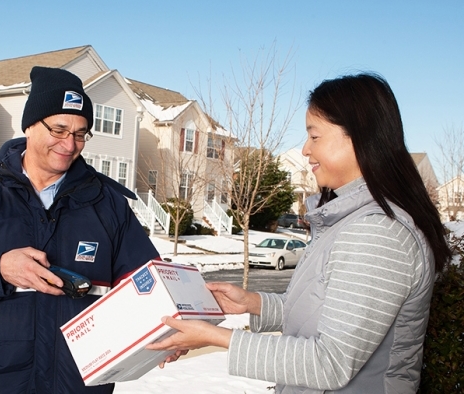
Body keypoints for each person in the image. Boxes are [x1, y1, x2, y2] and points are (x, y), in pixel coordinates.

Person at [148, 73, 451, 394]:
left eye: (315, 136)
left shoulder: (378, 232)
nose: (305, 150)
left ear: (358, 137)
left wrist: (216, 337)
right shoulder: (352, 219)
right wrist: (253, 304)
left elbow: (330, 362)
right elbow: (329, 310)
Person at [0, 66, 160, 394]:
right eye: (58, 129)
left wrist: (167, 326)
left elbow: (147, 284)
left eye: (80, 133)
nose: (69, 144)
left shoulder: (108, 204)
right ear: (29, 125)